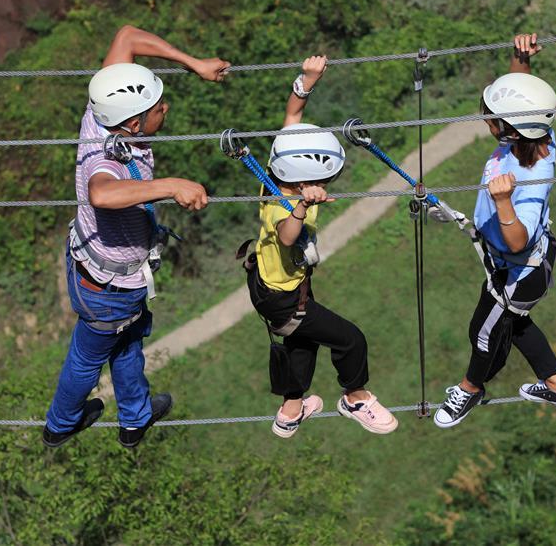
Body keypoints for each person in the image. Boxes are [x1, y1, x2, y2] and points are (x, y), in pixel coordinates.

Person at [43, 25, 229, 448]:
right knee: (88, 357)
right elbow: (102, 193)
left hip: (92, 267)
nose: (166, 107)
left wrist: (194, 63)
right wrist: (171, 185)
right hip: (109, 286)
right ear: (134, 121)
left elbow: (126, 35)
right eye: (157, 106)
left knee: (127, 344)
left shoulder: (99, 111)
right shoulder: (106, 161)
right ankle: (60, 424)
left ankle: (134, 419)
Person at [244, 56, 398, 438]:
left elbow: (292, 119)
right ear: (306, 179)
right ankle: (356, 397)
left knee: (303, 338)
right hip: (281, 297)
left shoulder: (276, 170)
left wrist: (307, 81)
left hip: (273, 288)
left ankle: (291, 410)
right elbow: (287, 236)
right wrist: (302, 206)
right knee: (350, 339)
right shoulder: (287, 206)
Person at [433, 33, 556, 429]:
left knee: (483, 332)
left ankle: (471, 389)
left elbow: (519, 238)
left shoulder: (531, 175)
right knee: (513, 324)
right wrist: (521, 60)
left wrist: (502, 204)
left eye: (489, 117)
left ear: (507, 130)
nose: (485, 119)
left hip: (518, 271)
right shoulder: (535, 138)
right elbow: (522, 102)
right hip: (518, 268)